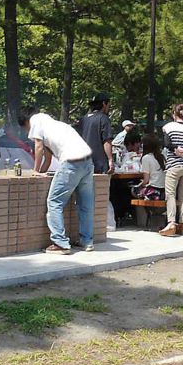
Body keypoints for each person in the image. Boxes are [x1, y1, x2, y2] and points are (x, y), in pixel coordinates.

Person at [29, 111, 95, 254]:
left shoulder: (36, 122)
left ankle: (60, 243)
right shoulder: (58, 126)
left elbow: (39, 147)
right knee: (85, 205)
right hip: (88, 162)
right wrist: (41, 172)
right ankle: (87, 241)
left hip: (71, 162)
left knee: (54, 202)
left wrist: (34, 171)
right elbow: (48, 157)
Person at [160, 104, 183, 236]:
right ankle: (182, 223)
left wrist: (177, 149)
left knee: (170, 195)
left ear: (174, 115)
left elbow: (166, 144)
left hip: (174, 165)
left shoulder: (168, 127)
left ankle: (171, 223)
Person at [76, 93, 114, 174]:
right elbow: (107, 142)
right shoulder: (103, 118)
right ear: (104, 103)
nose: (109, 108)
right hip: (99, 162)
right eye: (108, 105)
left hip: (82, 161)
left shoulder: (83, 119)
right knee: (99, 186)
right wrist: (110, 159)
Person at [135, 133, 165, 200]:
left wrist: (139, 185)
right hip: (164, 191)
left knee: (134, 192)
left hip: (153, 191)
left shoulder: (146, 158)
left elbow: (146, 180)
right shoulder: (162, 157)